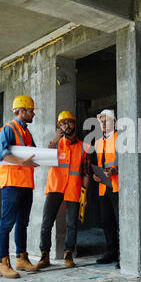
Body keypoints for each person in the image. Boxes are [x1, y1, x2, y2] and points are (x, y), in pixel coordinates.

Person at [0, 95, 40, 279]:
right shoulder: (8, 129)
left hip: (25, 184)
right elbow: (0, 153)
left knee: (23, 222)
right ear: (21, 111)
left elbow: (34, 154)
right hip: (12, 183)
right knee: (7, 223)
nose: (33, 114)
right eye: (31, 110)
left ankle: (22, 258)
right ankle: (3, 263)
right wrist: (23, 162)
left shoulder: (27, 132)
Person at [37, 111, 90, 269]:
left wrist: (84, 195)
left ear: (75, 124)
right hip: (55, 186)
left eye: (69, 122)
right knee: (47, 222)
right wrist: (55, 139)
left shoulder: (84, 147)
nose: (67, 125)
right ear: (59, 127)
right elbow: (46, 159)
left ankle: (68, 254)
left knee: (71, 224)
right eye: (63, 123)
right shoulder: (55, 143)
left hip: (73, 188)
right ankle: (44, 255)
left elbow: (86, 172)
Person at [92, 109, 120, 269]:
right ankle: (112, 252)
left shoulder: (120, 139)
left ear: (114, 123)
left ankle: (124, 254)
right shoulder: (97, 142)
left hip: (117, 185)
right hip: (103, 187)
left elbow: (127, 161)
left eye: (106, 121)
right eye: (101, 121)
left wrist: (116, 170)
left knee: (119, 221)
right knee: (106, 221)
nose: (103, 123)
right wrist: (96, 176)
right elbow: (99, 164)